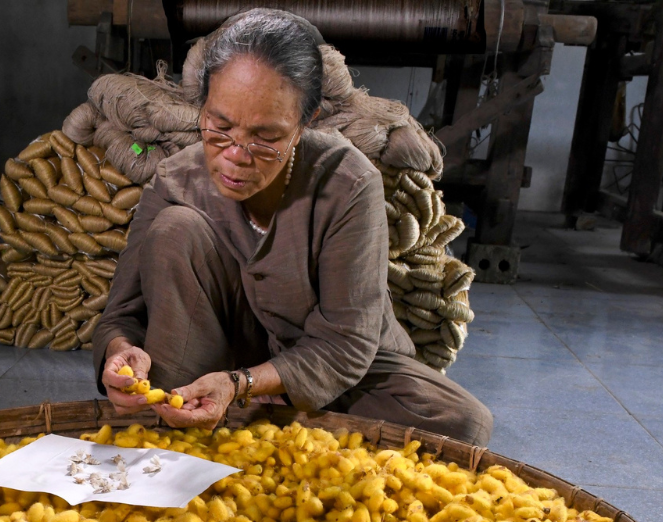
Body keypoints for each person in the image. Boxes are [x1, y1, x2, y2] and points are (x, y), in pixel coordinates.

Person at [92, 9, 493, 446]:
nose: (237, 155)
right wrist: (119, 353)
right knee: (175, 229)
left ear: (304, 124)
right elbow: (121, 314)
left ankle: (251, 415)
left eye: (266, 137)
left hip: (331, 364)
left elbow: (347, 343)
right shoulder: (174, 178)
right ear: (202, 107)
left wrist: (242, 383)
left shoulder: (349, 184)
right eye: (220, 127)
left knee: (461, 424)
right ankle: (228, 413)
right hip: (218, 352)